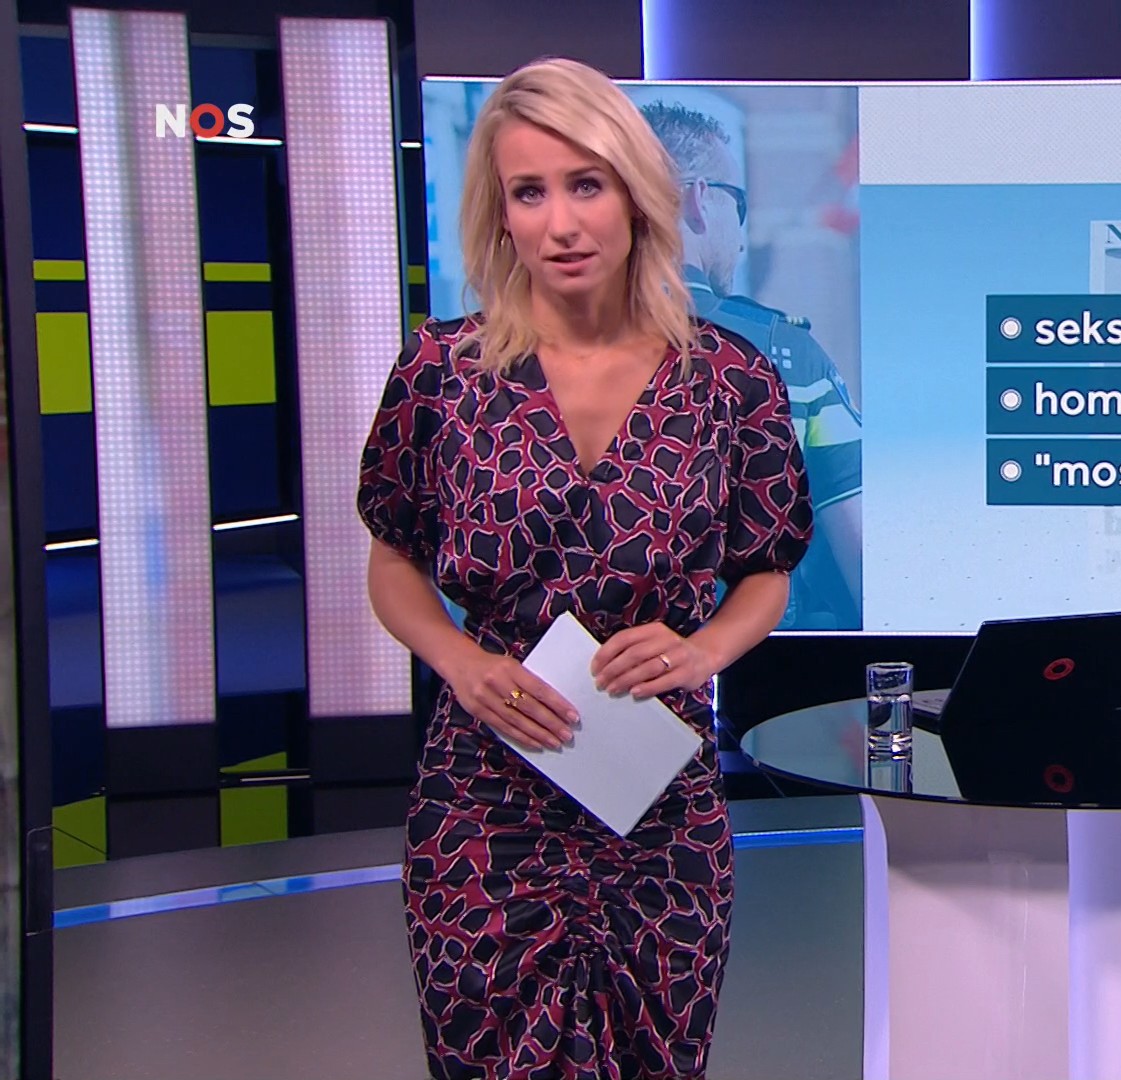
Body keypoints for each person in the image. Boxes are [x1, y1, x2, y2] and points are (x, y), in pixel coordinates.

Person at [357, 56, 810, 1080]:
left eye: (586, 185)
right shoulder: (440, 373)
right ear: (500, 214)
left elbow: (768, 570)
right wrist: (460, 663)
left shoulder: (730, 381)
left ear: (638, 194)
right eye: (530, 192)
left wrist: (702, 651)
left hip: (658, 797)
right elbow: (392, 560)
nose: (561, 223)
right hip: (486, 797)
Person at [637, 100, 862, 630]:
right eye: (737, 205)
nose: (740, 237)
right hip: (760, 667)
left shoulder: (541, 352)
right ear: (697, 199)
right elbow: (862, 559)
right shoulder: (787, 355)